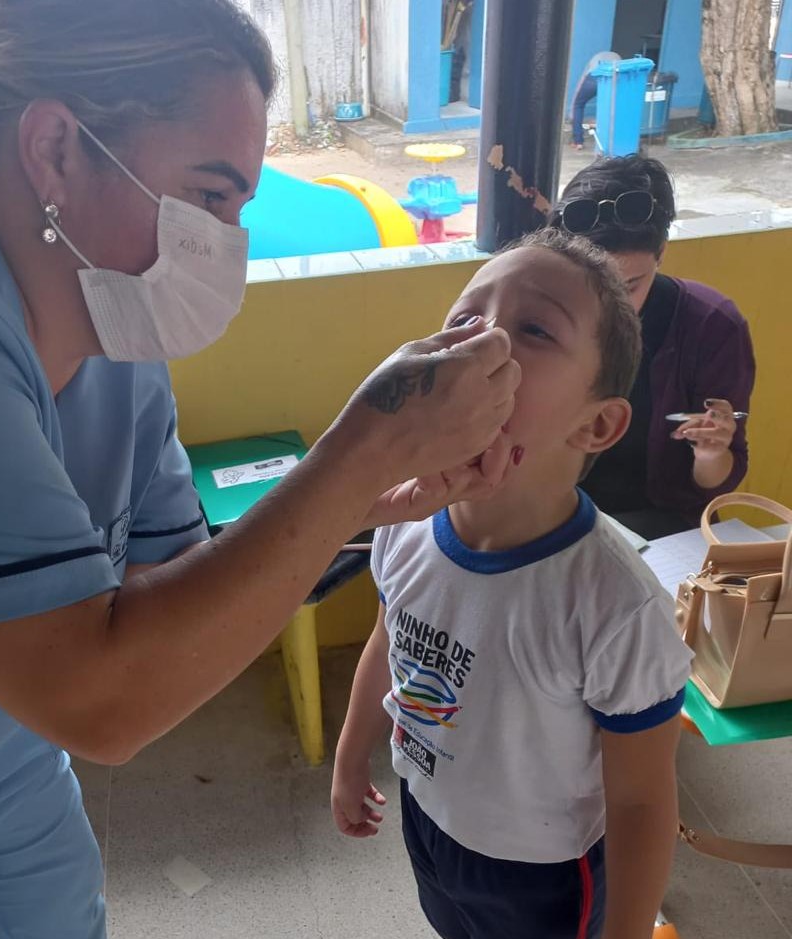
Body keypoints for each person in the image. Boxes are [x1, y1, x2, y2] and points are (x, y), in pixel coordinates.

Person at [0, 2, 522, 936]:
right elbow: (104, 701)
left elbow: (166, 590)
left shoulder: (111, 327)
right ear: (56, 149)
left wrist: (357, 497)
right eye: (208, 196)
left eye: (238, 208)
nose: (226, 244)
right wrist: (361, 448)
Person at [331, 229, 692, 939]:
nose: (483, 340)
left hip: (545, 872)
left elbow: (642, 803)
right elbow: (389, 640)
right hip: (429, 817)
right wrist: (349, 757)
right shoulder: (405, 521)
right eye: (466, 317)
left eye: (535, 329)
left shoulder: (615, 604)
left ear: (597, 424)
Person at [549, 155, 755, 539]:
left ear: (661, 253)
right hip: (555, 512)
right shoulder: (540, 316)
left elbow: (715, 483)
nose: (612, 306)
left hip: (663, 523)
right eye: (595, 285)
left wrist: (711, 452)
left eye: (630, 286)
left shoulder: (711, 325)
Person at [570, 51, 620, 150]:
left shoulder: (594, 58)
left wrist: (573, 104)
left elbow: (583, 78)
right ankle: (611, 141)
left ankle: (578, 142)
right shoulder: (618, 58)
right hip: (611, 79)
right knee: (612, 106)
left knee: (578, 105)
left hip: (592, 78)